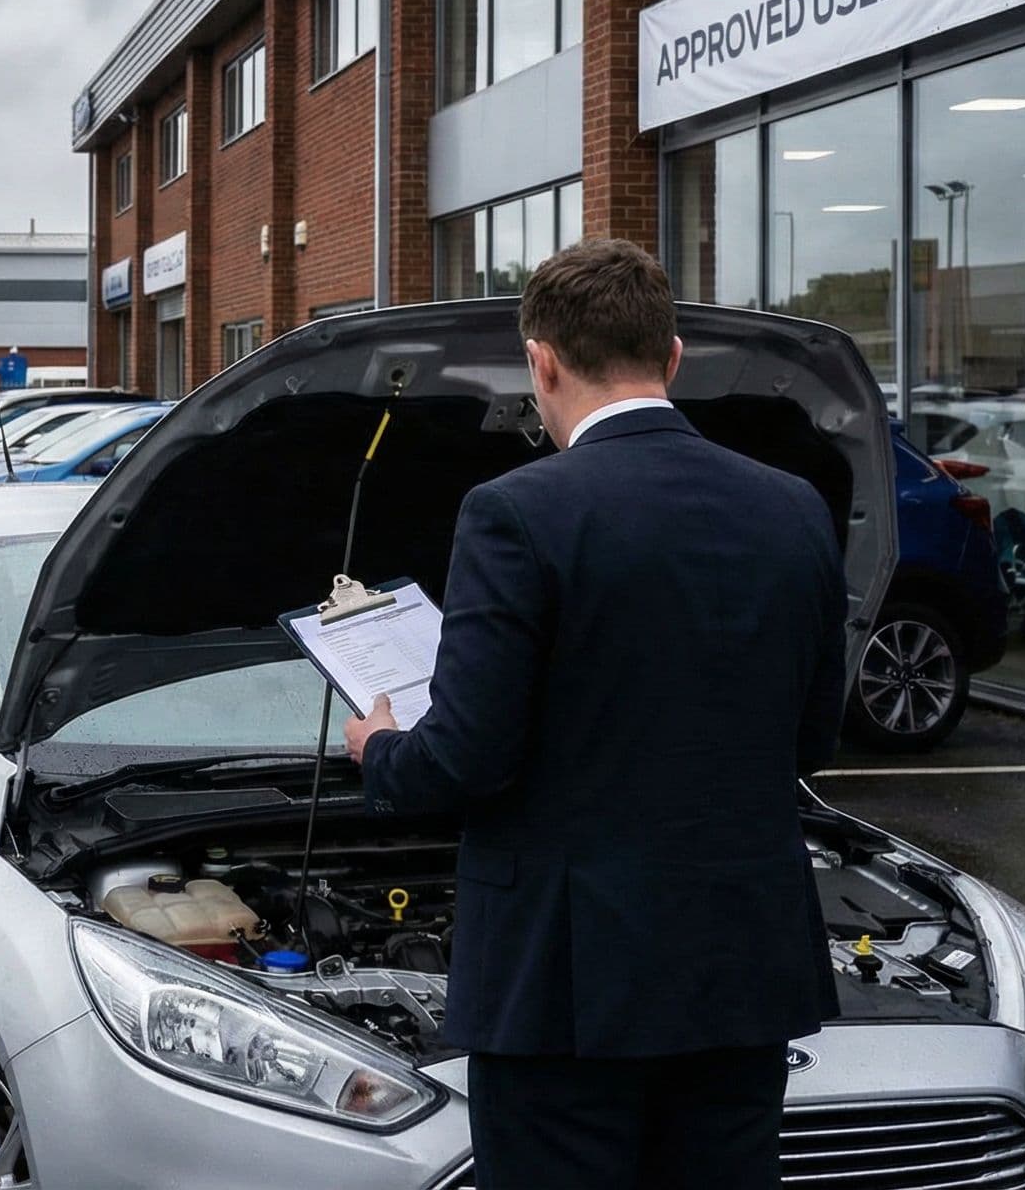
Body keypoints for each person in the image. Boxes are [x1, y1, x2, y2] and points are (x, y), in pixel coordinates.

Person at [345, 238, 848, 1190]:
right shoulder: (794, 509)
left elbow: (464, 760)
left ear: (541, 361)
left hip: (567, 990)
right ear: (671, 359)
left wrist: (380, 749)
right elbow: (811, 739)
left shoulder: (515, 511)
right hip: (740, 969)